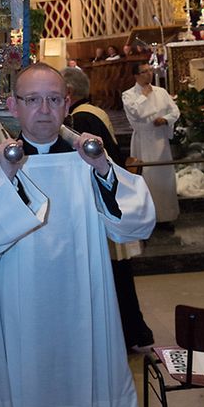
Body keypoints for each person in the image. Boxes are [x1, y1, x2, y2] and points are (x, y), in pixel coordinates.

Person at [0, 63, 155, 407]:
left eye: (53, 99)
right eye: (32, 99)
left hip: (81, 315)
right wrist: (9, 182)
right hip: (17, 317)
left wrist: (105, 169)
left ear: (67, 103)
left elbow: (135, 223)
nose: (44, 109)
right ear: (13, 106)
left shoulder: (87, 159)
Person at [62, 66, 154, 351]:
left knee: (115, 280)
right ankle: (134, 332)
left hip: (104, 205)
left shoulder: (80, 118)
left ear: (68, 93)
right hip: (110, 198)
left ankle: (127, 335)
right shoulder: (94, 111)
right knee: (120, 277)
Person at [122, 62, 180, 227]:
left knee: (164, 179)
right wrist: (144, 96)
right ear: (136, 76)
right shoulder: (128, 95)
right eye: (144, 72)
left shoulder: (161, 91)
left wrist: (165, 120)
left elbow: (174, 111)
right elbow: (137, 113)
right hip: (143, 140)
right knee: (146, 179)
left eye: (149, 71)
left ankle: (166, 216)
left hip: (160, 141)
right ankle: (148, 218)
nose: (149, 74)